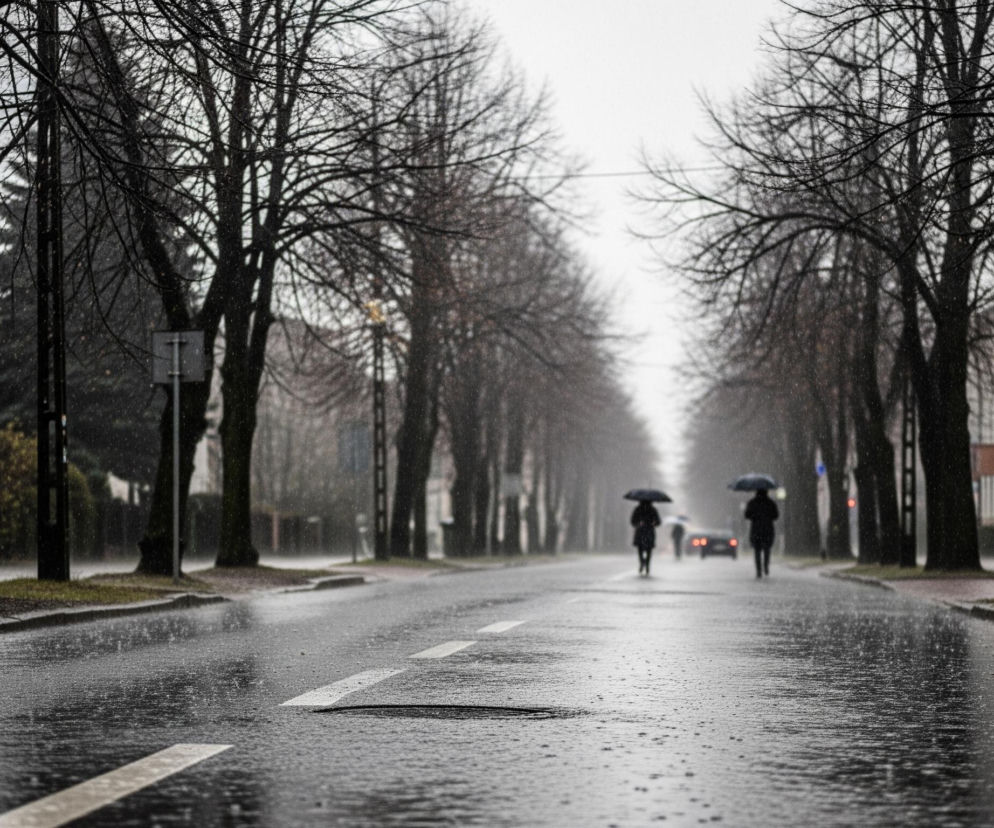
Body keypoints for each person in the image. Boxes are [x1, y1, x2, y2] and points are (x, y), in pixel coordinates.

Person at [744, 488, 779, 578]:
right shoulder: (770, 503)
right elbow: (776, 515)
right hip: (768, 529)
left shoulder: (752, 503)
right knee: (767, 549)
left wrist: (755, 516)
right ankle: (766, 566)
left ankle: (759, 570)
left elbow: (747, 515)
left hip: (756, 530)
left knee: (757, 550)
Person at [630, 499, 661, 576]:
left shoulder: (638, 509)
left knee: (640, 549)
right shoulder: (653, 510)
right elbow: (658, 522)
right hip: (649, 532)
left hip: (640, 532)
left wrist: (638, 523)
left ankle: (642, 562)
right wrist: (653, 523)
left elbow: (633, 521)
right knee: (649, 550)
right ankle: (647, 564)